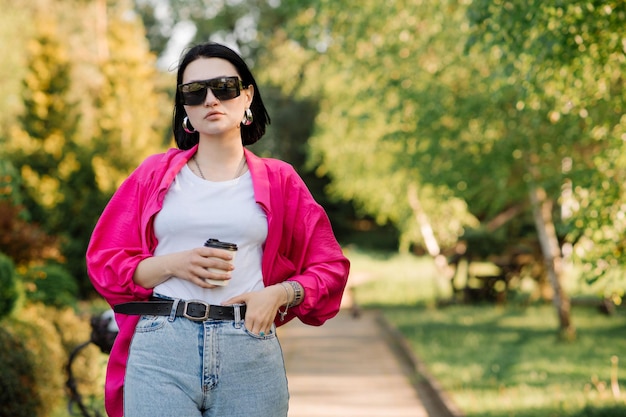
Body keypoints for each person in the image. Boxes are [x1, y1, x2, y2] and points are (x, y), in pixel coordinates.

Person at [86, 42, 350, 417]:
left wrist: (279, 294)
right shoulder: (152, 176)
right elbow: (105, 262)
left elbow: (331, 268)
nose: (211, 99)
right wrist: (174, 264)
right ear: (185, 111)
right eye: (194, 92)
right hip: (162, 347)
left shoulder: (281, 181)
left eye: (224, 87)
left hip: (249, 350)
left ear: (247, 97)